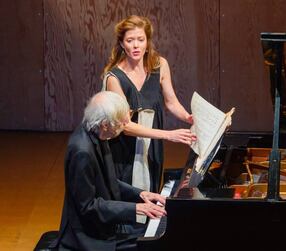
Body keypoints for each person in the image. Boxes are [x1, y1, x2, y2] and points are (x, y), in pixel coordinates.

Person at [51, 91, 167, 251]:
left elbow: (108, 180)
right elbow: (88, 207)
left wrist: (140, 194)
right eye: (122, 123)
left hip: (106, 225)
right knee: (151, 246)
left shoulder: (99, 134)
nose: (125, 125)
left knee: (151, 235)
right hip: (88, 237)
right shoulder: (82, 151)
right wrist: (136, 208)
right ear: (105, 124)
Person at [102, 15, 196, 193]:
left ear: (147, 42)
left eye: (140, 39)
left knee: (152, 192)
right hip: (124, 150)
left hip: (152, 146)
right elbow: (125, 126)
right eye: (130, 40)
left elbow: (171, 102)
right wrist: (168, 135)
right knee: (129, 198)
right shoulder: (114, 78)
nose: (136, 45)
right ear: (122, 44)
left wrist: (188, 117)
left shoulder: (160, 65)